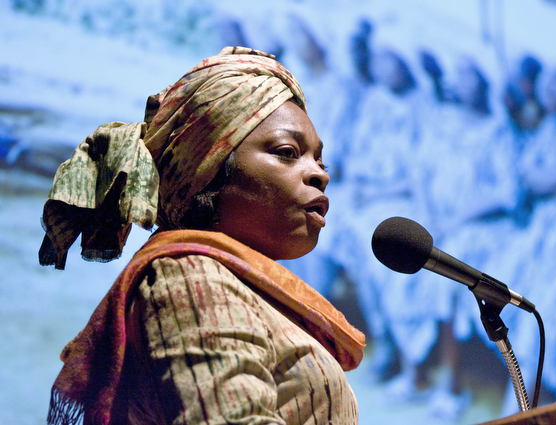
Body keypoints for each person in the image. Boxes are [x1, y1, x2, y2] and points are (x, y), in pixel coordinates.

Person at [39, 46, 366, 425]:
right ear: (208, 168)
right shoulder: (192, 277)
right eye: (287, 152)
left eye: (319, 161)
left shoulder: (242, 288)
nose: (319, 174)